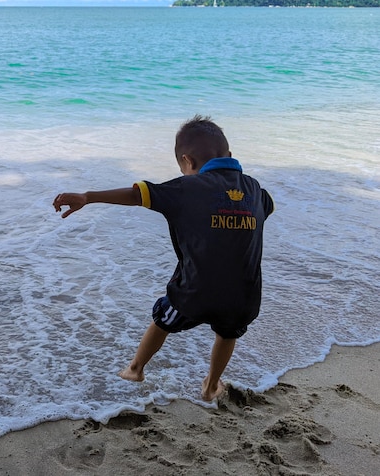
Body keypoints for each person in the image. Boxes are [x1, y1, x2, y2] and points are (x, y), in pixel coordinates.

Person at [53, 115, 274, 402]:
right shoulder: (256, 191)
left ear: (187, 161)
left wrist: (88, 196)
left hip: (194, 295)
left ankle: (135, 368)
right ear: (229, 156)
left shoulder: (186, 188)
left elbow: (138, 195)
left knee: (163, 318)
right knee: (227, 332)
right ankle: (210, 386)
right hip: (243, 299)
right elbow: (266, 207)